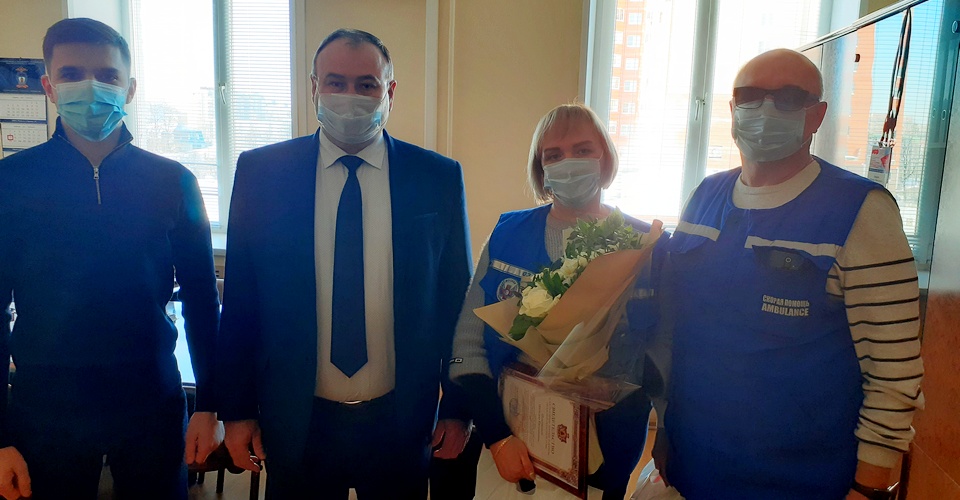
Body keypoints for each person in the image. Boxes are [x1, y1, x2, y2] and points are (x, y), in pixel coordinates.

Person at [216, 28, 473, 499]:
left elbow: (457, 304)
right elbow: (240, 305)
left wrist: (458, 408)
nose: (349, 96)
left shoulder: (437, 177)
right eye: (335, 82)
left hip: (401, 419)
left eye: (366, 84)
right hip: (297, 420)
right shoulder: (262, 174)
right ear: (314, 87)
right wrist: (236, 411)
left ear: (389, 91)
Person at [660, 48, 924, 500]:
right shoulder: (704, 196)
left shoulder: (861, 211)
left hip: (803, 478)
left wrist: (870, 488)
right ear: (733, 108)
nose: (766, 109)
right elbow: (675, 331)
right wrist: (665, 429)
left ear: (816, 115)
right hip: (694, 463)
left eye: (788, 97)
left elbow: (894, 371)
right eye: (751, 95)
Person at [0, 18, 221, 500]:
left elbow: (204, 303)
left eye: (107, 75)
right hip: (46, 411)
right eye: (72, 74)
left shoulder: (173, 182)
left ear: (130, 88)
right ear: (49, 87)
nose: (91, 87)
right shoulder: (10, 183)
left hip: (151, 404)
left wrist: (210, 404)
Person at [449, 103, 667, 500]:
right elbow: (468, 344)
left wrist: (668, 431)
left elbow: (663, 355)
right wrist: (497, 437)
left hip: (607, 453)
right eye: (554, 155)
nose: (569, 163)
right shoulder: (507, 233)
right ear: (541, 169)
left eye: (583, 150)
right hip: (511, 443)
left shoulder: (644, 245)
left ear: (605, 158)